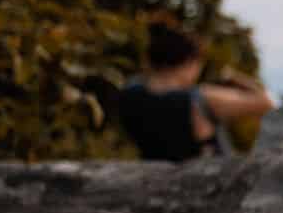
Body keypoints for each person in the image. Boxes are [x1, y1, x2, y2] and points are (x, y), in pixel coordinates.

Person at [117, 19, 275, 162]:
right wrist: (233, 76)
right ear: (189, 62)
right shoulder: (201, 98)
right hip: (207, 183)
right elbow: (266, 102)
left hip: (154, 176)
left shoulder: (130, 93)